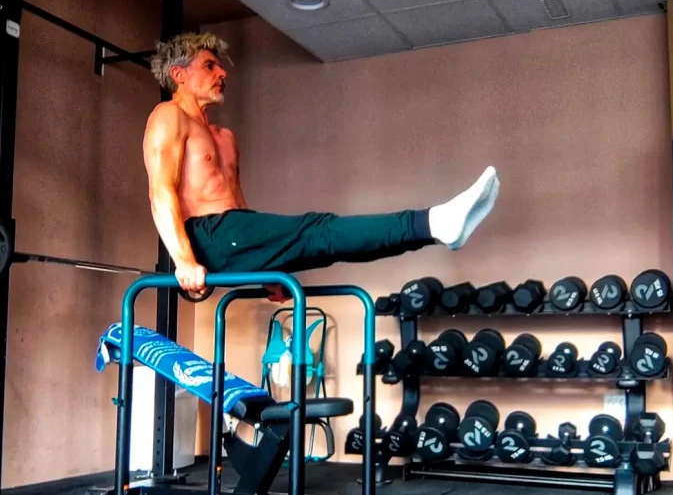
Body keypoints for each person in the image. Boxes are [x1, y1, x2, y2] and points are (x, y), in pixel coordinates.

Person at [144, 32, 500, 302]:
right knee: (319, 232)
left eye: (219, 66)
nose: (221, 72)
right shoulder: (168, 117)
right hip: (206, 238)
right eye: (210, 65)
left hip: (234, 234)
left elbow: (239, 208)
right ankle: (432, 221)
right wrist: (185, 261)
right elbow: (160, 193)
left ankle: (435, 229)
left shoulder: (224, 136)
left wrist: (266, 270)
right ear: (179, 74)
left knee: (326, 245)